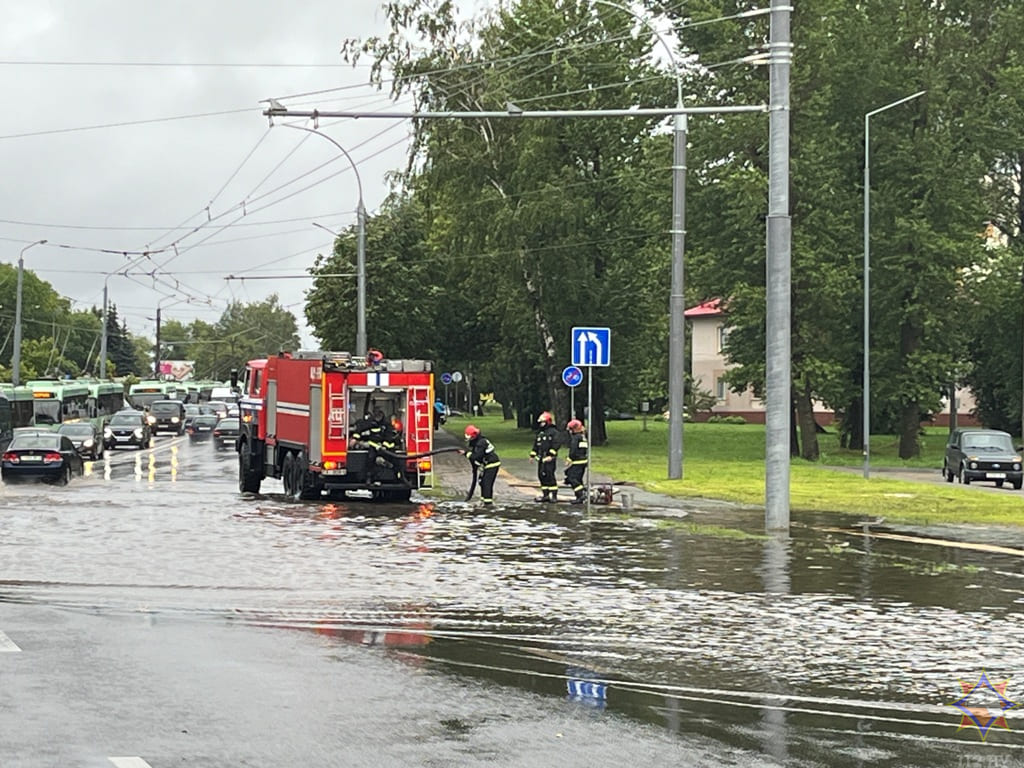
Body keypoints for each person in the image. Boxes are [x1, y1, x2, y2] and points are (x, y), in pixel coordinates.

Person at [461, 424, 500, 505]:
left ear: (474, 435)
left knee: (486, 483)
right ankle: (483, 500)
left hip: (492, 464)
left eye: (470, 437)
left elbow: (476, 456)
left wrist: (466, 454)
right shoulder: (477, 441)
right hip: (486, 464)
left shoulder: (481, 443)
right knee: (482, 482)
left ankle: (488, 504)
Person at [529, 411, 560, 502]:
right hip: (541, 459)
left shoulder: (554, 432)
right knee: (541, 476)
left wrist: (551, 455)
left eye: (543, 422)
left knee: (550, 476)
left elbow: (556, 444)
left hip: (549, 459)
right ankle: (545, 495)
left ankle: (554, 496)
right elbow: (536, 444)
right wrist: (532, 455)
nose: (541, 424)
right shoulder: (540, 433)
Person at [563, 419, 589, 504]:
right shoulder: (583, 437)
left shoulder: (576, 438)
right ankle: (580, 496)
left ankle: (581, 494)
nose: (570, 431)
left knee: (572, 478)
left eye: (571, 429)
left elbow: (573, 450)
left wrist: (569, 459)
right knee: (577, 478)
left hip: (577, 461)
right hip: (583, 461)